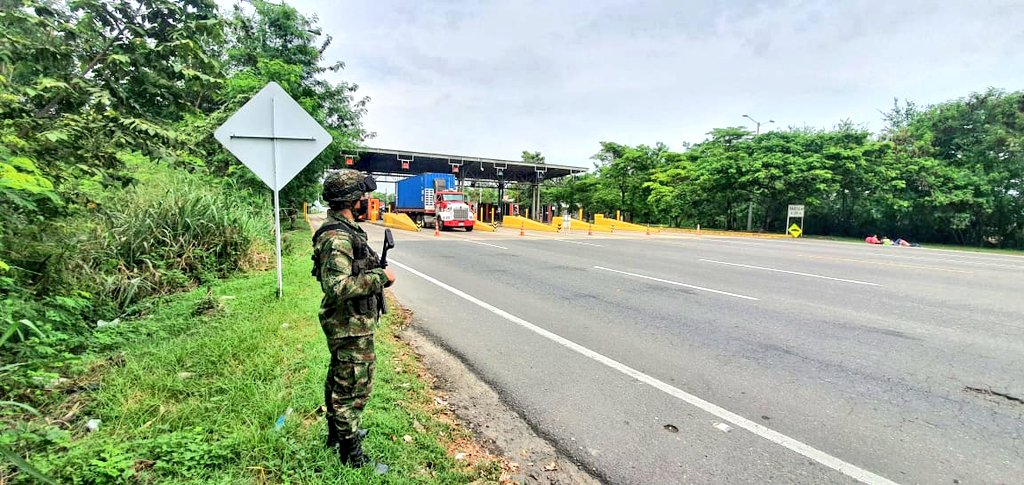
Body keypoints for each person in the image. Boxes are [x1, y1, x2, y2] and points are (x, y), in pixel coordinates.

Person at [312, 169, 396, 466]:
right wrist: (379, 277)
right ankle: (352, 454)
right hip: (348, 324)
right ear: (351, 200)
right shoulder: (338, 237)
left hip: (350, 322)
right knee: (353, 386)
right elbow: (336, 287)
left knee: (340, 377)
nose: (367, 201)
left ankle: (339, 434)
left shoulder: (344, 229)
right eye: (363, 197)